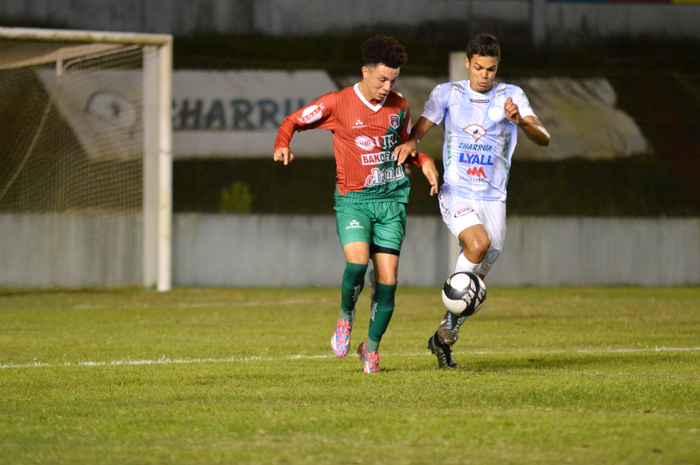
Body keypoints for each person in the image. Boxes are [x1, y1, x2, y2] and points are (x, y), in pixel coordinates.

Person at [273, 35, 439, 373]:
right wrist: (283, 143)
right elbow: (293, 120)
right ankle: (346, 316)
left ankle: (371, 350)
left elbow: (405, 147)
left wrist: (423, 161)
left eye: (393, 80)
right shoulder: (337, 102)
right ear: (364, 71)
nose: (387, 86)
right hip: (354, 200)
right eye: (382, 79)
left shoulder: (400, 105)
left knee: (388, 284)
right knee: (357, 263)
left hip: (391, 201)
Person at [394, 33, 550, 369]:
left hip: (494, 198)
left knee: (477, 280)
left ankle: (444, 337)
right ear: (467, 63)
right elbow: (423, 127)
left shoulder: (513, 96)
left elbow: (544, 138)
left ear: (497, 68)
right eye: (478, 67)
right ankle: (448, 312)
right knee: (478, 244)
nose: (484, 75)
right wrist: (411, 144)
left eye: (490, 70)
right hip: (456, 191)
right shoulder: (448, 93)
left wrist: (521, 121)